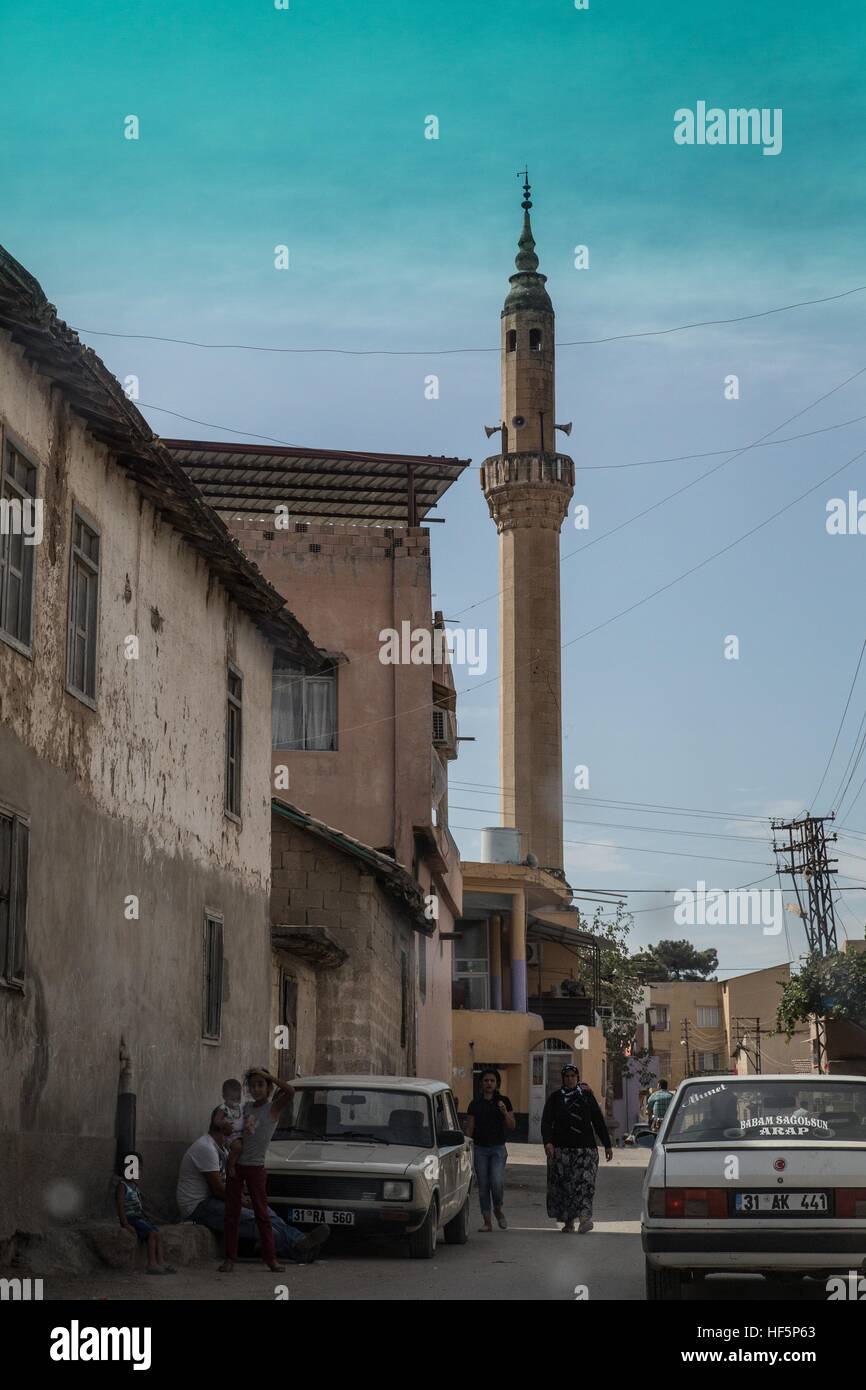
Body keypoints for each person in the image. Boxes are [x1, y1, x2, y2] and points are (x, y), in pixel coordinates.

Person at [177, 1109, 328, 1263]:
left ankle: (300, 1240)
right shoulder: (206, 1147)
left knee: (265, 1212)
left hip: (217, 1199)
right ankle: (297, 1250)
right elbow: (217, 1189)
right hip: (198, 1207)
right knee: (253, 1219)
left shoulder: (223, 1148)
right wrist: (242, 1201)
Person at [219, 1067, 295, 1274]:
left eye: (261, 1085)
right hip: (237, 1166)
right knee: (232, 1213)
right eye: (252, 1085)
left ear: (268, 1087)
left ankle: (271, 1259)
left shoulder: (273, 1109)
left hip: (256, 1169)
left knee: (262, 1214)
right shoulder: (246, 1109)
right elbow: (237, 1133)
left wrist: (269, 1075)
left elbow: (290, 1092)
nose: (256, 1089)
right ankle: (229, 1258)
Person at [541, 1064, 612, 1234]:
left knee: (585, 1184)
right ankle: (568, 1221)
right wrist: (548, 1142)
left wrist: (607, 1144)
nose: (570, 1079)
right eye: (567, 1076)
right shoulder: (555, 1098)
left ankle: (584, 1219)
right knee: (565, 1186)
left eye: (573, 1076)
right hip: (562, 1150)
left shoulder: (586, 1097)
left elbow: (598, 1121)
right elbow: (546, 1122)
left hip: (585, 1149)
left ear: (577, 1078)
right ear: (563, 1078)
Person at [464, 1068, 516, 1232]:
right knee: (484, 1185)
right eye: (486, 1080)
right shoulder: (475, 1103)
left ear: (497, 1084)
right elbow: (470, 1126)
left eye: (492, 1081)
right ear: (481, 1083)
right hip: (479, 1149)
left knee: (496, 1181)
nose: (489, 1083)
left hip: (497, 1149)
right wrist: (466, 1147)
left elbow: (512, 1125)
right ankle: (487, 1221)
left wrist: (504, 1112)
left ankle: (498, 1210)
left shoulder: (504, 1101)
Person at [116, 1153, 176, 1275]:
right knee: (152, 1233)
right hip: (131, 1219)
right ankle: (152, 1264)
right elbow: (120, 1206)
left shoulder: (135, 1186)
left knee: (157, 1233)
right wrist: (125, 1224)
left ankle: (161, 1261)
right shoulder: (122, 1186)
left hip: (139, 1218)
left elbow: (142, 1205)